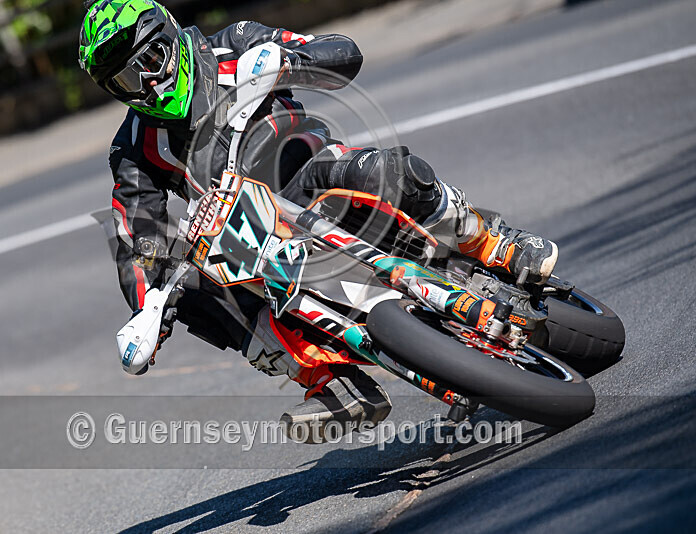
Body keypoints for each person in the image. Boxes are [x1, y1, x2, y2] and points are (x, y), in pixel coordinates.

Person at [78, 0, 559, 442]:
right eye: (125, 81)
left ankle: (492, 243)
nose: (145, 84)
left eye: (149, 61)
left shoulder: (234, 43)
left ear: (171, 37)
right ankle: (327, 379)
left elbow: (342, 54)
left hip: (309, 168)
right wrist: (149, 307)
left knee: (390, 172)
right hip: (246, 224)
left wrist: (290, 62)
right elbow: (136, 234)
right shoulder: (132, 147)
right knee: (197, 294)